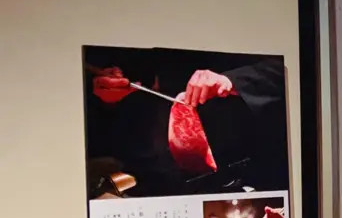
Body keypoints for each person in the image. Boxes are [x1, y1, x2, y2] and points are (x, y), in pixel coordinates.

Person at [85, 48, 289, 197]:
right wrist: (114, 84)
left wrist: (231, 81)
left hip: (248, 146)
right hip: (147, 146)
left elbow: (290, 69)